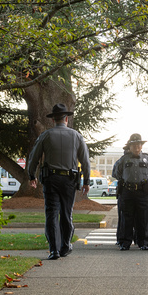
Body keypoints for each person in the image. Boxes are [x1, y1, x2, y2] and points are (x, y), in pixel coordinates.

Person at [27, 103, 90, 260]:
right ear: (66, 119)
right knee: (67, 213)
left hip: (51, 179)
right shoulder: (77, 136)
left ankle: (54, 249)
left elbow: (34, 157)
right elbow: (85, 161)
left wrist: (31, 176)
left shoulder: (46, 135)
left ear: (53, 120)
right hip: (69, 180)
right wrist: (87, 181)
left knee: (52, 213)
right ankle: (65, 246)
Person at [112, 133, 148, 250]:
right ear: (129, 146)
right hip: (127, 191)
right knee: (127, 218)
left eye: (138, 145)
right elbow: (116, 173)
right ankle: (125, 242)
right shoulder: (123, 160)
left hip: (142, 192)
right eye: (133, 145)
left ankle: (144, 242)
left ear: (141, 146)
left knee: (143, 218)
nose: (136, 147)